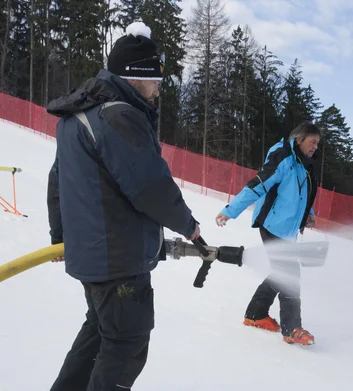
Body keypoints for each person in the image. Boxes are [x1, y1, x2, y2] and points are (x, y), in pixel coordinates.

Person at [45, 22, 200, 390]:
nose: (158, 91)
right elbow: (150, 187)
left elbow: (58, 182)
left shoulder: (80, 116)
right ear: (137, 76)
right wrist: (188, 225)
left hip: (95, 256)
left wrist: (60, 236)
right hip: (117, 259)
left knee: (100, 332)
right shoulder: (118, 116)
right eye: (155, 82)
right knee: (127, 343)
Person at [215, 121, 320, 346]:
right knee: (290, 275)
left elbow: (302, 193)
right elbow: (259, 184)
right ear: (300, 139)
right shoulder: (283, 158)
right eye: (312, 142)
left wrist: (309, 212)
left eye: (317, 144)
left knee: (280, 272)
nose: (315, 147)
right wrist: (230, 211)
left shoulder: (303, 164)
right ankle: (292, 328)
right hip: (272, 224)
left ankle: (256, 314)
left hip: (288, 229)